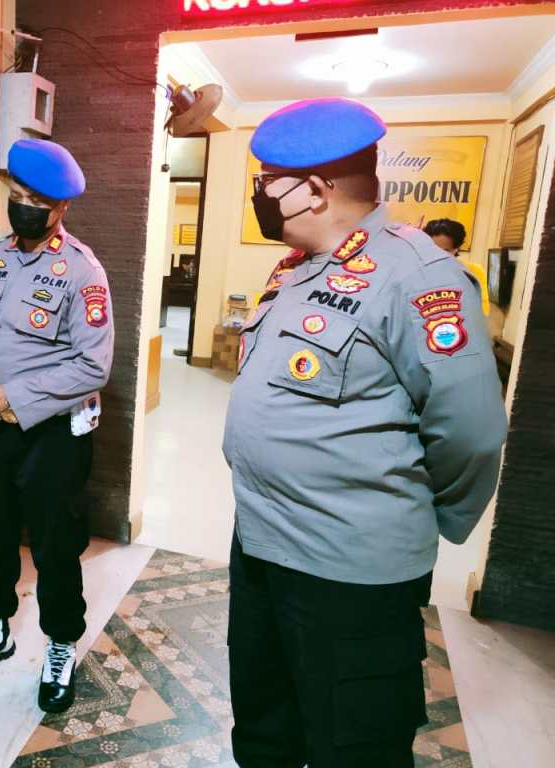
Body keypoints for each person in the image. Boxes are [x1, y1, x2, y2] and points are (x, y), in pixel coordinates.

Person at [225, 99, 507, 768]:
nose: (258, 194)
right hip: (262, 545)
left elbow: (471, 435)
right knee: (264, 726)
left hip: (349, 569)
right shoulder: (294, 266)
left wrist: (408, 519)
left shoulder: (420, 276)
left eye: (266, 182)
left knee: (354, 746)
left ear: (313, 190)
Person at [0, 138, 114, 713]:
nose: (25, 207)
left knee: (55, 545)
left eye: (39, 201)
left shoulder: (82, 271)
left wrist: (9, 395)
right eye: (18, 194)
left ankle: (61, 644)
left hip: (54, 432)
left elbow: (93, 366)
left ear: (62, 207)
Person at [424, 218, 489, 315]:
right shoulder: (416, 272)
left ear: (456, 249)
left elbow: (482, 312)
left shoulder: (473, 272)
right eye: (433, 250)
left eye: (445, 251)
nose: (437, 256)